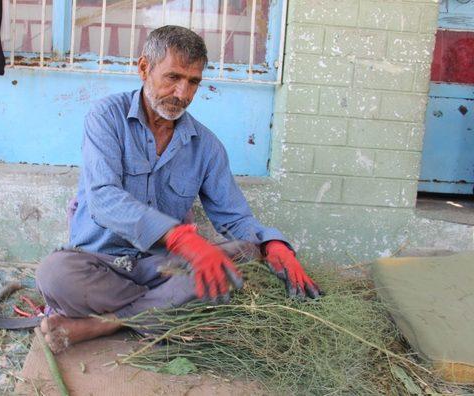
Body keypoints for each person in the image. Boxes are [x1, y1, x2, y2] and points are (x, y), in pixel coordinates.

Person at [36, 25, 321, 353]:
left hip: (165, 267)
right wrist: (180, 237)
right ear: (144, 68)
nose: (182, 93)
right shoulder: (106, 117)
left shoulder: (207, 147)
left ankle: (102, 323)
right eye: (173, 77)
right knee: (54, 274)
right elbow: (103, 198)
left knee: (242, 256)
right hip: (102, 264)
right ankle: (160, 313)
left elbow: (236, 220)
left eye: (193, 82)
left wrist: (274, 245)